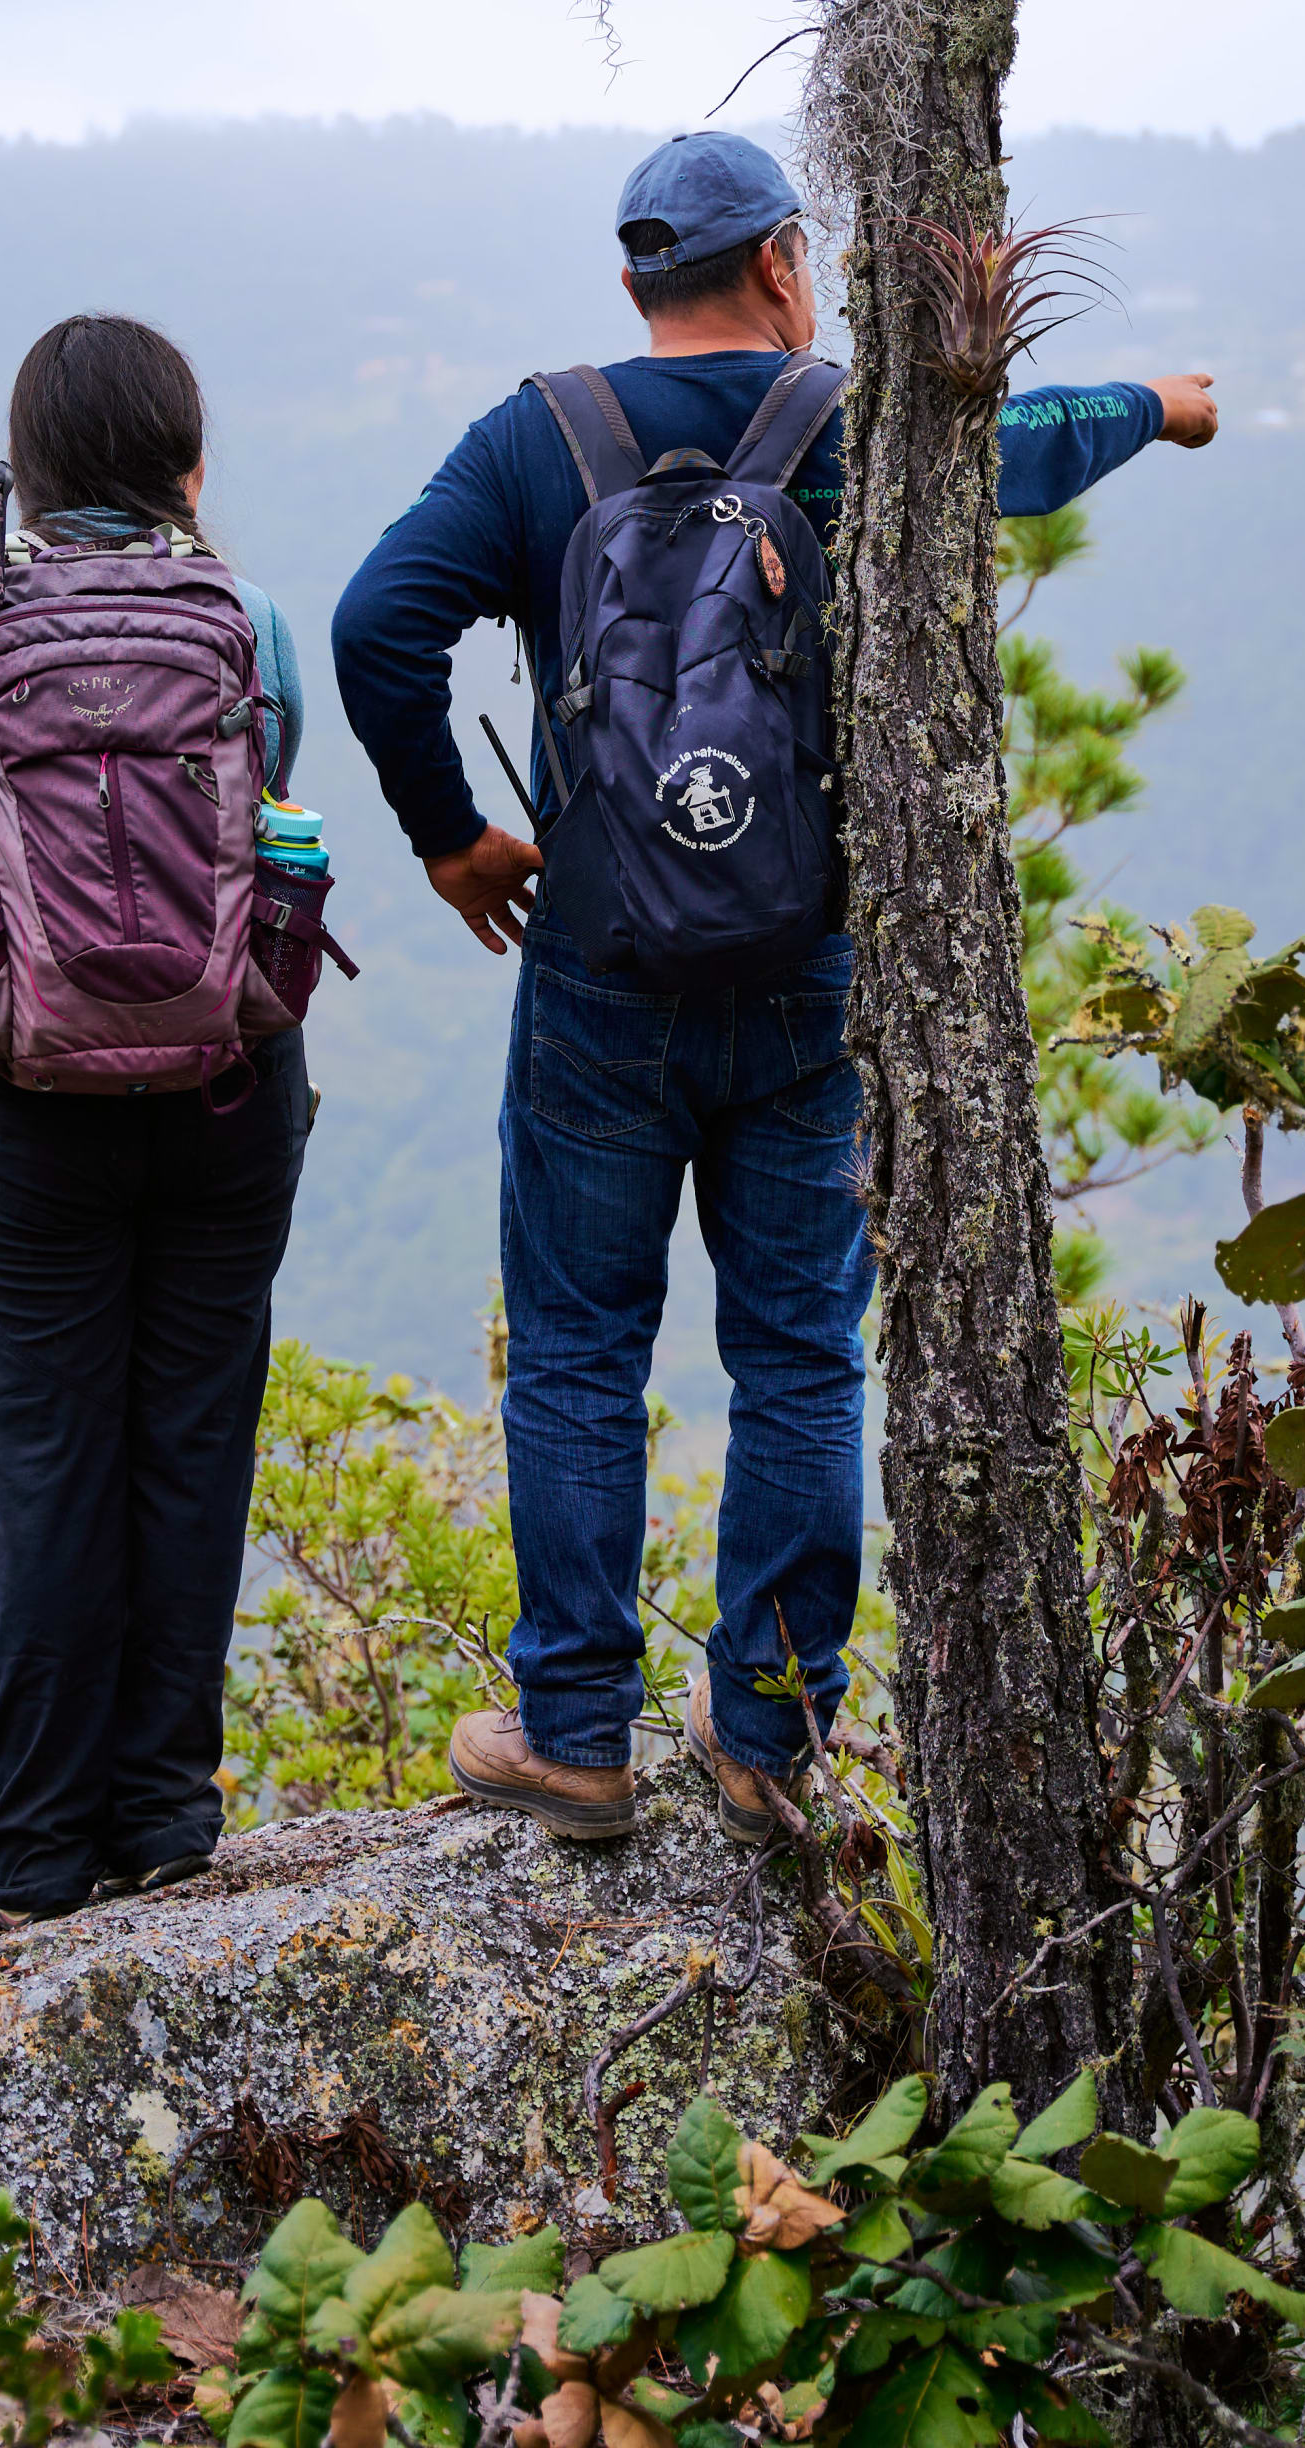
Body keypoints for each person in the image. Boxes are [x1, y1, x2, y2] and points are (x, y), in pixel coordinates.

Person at [331, 134, 1217, 1849]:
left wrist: (453, 841)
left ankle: (577, 1736)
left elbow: (381, 624)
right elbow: (1016, 452)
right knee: (802, 1351)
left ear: (634, 284)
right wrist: (1154, 407)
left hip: (599, 965)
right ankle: (768, 1742)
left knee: (582, 1349)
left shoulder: (543, 435)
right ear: (787, 262)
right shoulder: (836, 427)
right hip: (812, 961)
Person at [0, 311, 314, 1923]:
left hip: (23, 1094)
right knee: (193, 1441)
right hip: (225, 1078)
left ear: (28, 474)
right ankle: (167, 1816)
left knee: (54, 1459)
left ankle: (36, 1852)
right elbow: (273, 804)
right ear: (191, 469)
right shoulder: (248, 616)